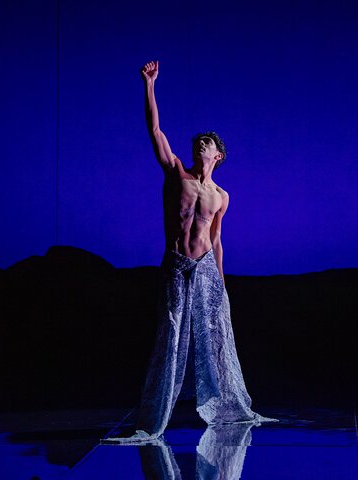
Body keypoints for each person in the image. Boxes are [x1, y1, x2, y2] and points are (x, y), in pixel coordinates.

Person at [104, 60, 277, 443]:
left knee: (217, 334)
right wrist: (150, 85)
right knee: (173, 332)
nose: (200, 144)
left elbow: (216, 239)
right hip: (177, 265)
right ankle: (153, 415)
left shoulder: (222, 196)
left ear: (219, 155)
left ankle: (232, 407)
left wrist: (222, 283)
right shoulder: (176, 174)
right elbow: (154, 130)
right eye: (198, 141)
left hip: (207, 271)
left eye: (208, 143)